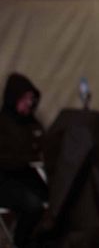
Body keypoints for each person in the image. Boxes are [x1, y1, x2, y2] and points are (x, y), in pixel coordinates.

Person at [0, 73, 47, 247]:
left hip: (31, 179)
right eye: (24, 98)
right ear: (14, 98)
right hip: (6, 182)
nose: (28, 103)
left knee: (60, 200)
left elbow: (44, 147)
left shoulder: (32, 124)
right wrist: (26, 160)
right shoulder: (3, 124)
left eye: (31, 99)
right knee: (33, 205)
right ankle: (21, 243)